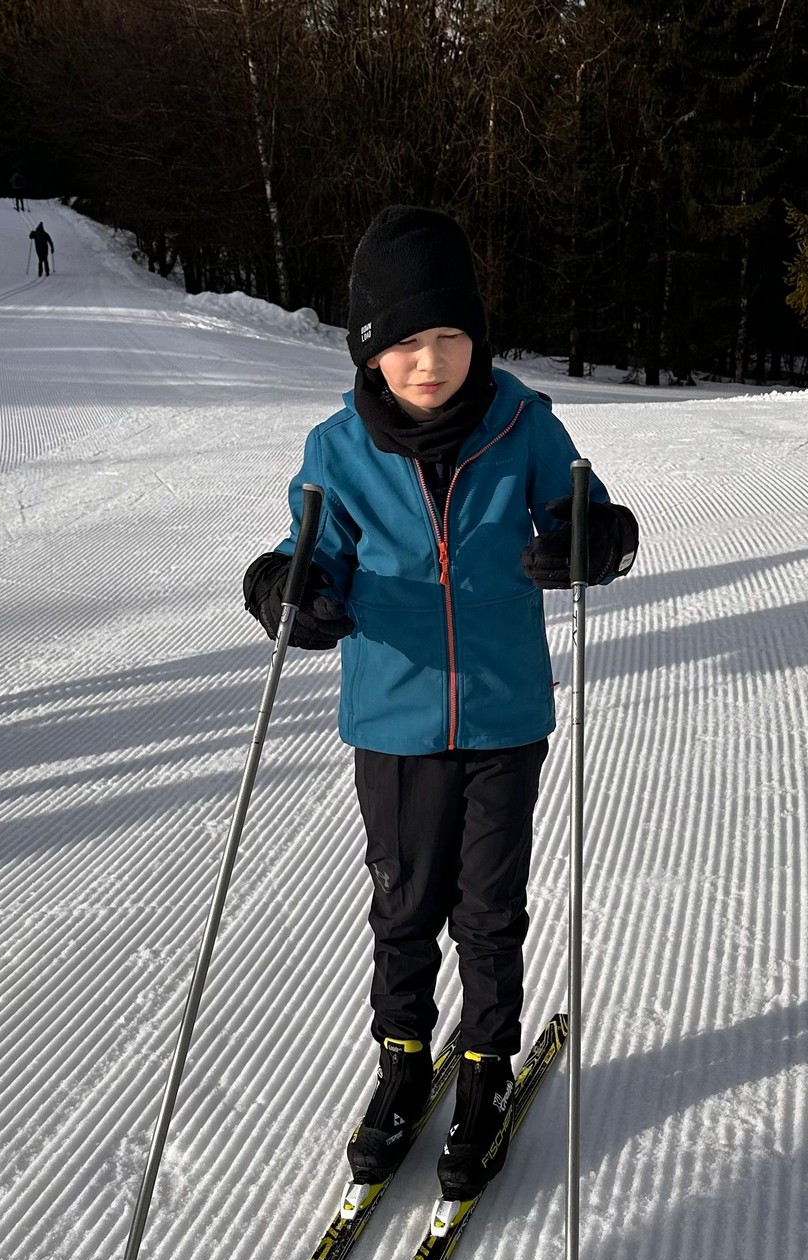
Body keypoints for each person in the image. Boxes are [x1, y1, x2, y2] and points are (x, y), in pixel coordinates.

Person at [243, 207, 638, 1204]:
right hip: (393, 721)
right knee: (403, 901)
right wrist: (285, 585)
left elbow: (585, 511)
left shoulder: (523, 425)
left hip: (505, 715)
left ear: (478, 338)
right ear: (368, 350)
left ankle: (484, 1066)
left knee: (489, 909)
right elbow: (309, 549)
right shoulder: (338, 449)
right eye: (405, 341)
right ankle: (404, 1057)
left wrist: (595, 538)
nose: (430, 362)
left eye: (451, 336)